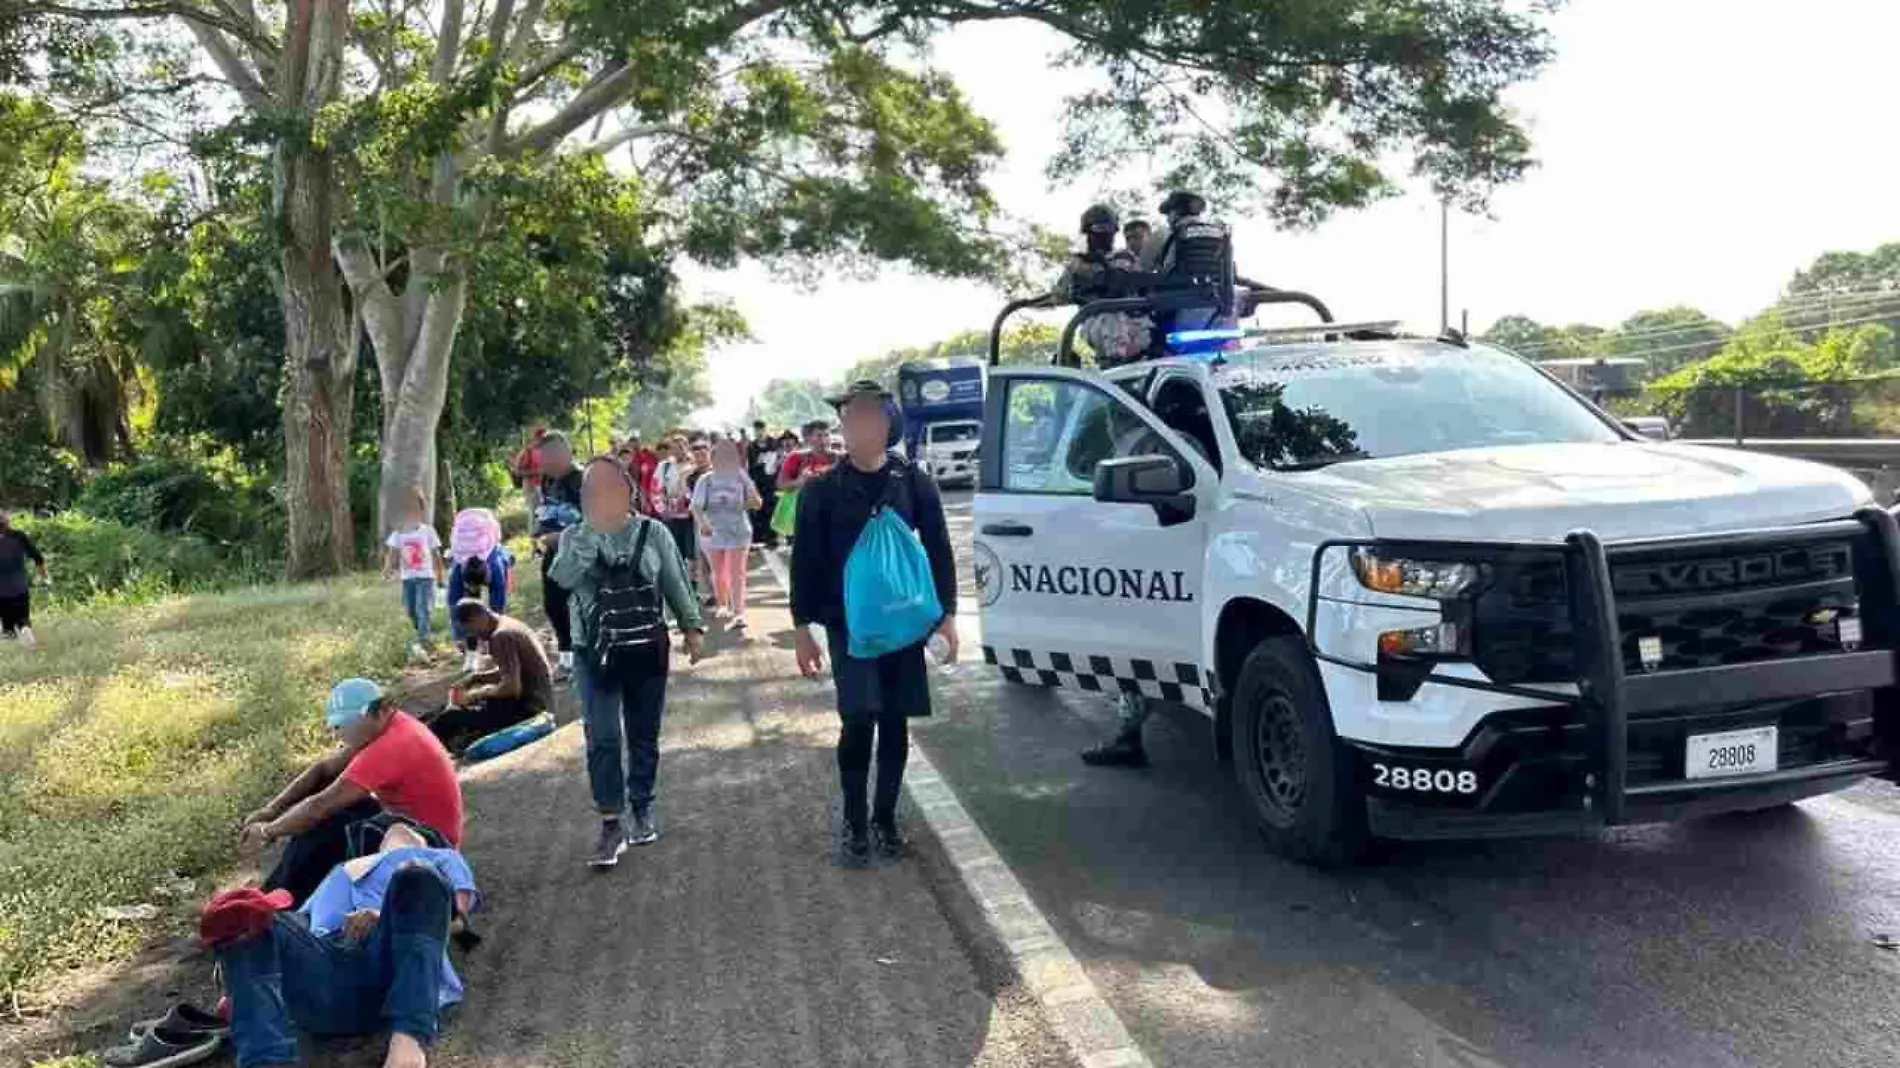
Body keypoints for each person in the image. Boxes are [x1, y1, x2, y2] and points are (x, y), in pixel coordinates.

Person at [791, 381, 958, 868]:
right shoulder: (821, 492)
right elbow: (805, 563)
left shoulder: (913, 482)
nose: (854, 424)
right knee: (859, 719)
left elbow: (941, 550)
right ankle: (854, 821)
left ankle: (885, 818)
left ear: (887, 423)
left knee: (895, 720)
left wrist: (946, 617)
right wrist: (802, 629)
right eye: (848, 415)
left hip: (905, 627)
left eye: (865, 415)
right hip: (849, 629)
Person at [211, 822, 478, 1068]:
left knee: (418, 875)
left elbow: (456, 920)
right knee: (247, 911)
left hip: (386, 965)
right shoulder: (342, 871)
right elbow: (298, 924)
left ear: (423, 841)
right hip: (322, 968)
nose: (396, 828)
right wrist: (242, 965)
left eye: (408, 830)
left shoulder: (440, 858)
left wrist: (383, 918)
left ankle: (407, 1047)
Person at [548, 458, 706, 869]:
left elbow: (674, 579)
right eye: (589, 490)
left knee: (643, 733)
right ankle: (610, 820)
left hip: (645, 648)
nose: (597, 496)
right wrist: (588, 533)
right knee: (602, 736)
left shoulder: (653, 533)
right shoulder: (573, 536)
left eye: (607, 487)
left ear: (629, 492)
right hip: (592, 651)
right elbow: (562, 578)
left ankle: (642, 804)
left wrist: (692, 627)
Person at [241, 679, 465, 905]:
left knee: (326, 826)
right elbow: (323, 770)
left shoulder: (392, 744)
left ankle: (274, 904)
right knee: (333, 810)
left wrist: (267, 831)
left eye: (346, 724)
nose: (340, 733)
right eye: (337, 726)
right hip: (406, 826)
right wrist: (271, 810)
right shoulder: (388, 725)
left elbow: (318, 807)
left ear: (374, 713)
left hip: (428, 845)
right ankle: (277, 892)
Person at [431, 602, 552, 753]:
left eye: (471, 630)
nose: (476, 637)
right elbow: (511, 670)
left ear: (478, 618)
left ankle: (432, 753)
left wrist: (477, 694)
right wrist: (477, 678)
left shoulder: (501, 636)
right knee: (461, 708)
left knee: (449, 718)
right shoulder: (508, 624)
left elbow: (512, 688)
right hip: (540, 699)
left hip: (529, 708)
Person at [1056, 204, 1150, 368]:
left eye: (1108, 230)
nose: (1104, 235)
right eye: (1100, 229)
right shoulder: (1077, 263)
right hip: (1102, 339)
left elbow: (1118, 283)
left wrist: (1094, 268)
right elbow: (1059, 295)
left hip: (1129, 336)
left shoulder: (1123, 257)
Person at [691, 439, 763, 631]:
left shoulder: (740, 477)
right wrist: (704, 524)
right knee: (718, 572)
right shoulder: (705, 480)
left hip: (738, 530)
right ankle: (723, 604)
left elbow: (757, 503)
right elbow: (696, 507)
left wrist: (744, 494)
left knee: (736, 572)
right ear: (713, 460)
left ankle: (739, 612)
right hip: (713, 532)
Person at [533, 433, 584, 676]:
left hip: (581, 554)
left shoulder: (584, 480)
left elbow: (597, 522)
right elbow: (546, 511)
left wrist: (563, 537)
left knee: (580, 606)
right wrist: (540, 533)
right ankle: (567, 657)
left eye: (546, 459)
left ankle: (584, 657)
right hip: (554, 551)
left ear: (562, 454)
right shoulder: (547, 480)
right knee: (553, 604)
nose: (542, 465)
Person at [383, 489, 446, 661]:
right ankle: (421, 633)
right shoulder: (398, 534)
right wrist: (387, 569)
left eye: (414, 509)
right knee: (411, 610)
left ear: (420, 511)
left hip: (425, 577)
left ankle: (424, 640)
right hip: (407, 578)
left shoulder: (427, 531)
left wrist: (440, 576)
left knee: (422, 607)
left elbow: (436, 555)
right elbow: (392, 554)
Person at [445, 508, 510, 658]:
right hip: (464, 530)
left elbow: (498, 607)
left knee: (497, 599)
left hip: (487, 527)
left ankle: (491, 644)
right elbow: (455, 605)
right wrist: (459, 635)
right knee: (466, 605)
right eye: (470, 586)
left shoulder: (496, 567)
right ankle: (472, 651)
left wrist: (492, 637)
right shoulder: (458, 569)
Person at [0, 507, 49, 651]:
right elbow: (38, 558)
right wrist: (45, 578)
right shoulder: (19, 536)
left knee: (8, 629)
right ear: (7, 521)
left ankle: (11, 634)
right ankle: (25, 631)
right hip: (20, 589)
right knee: (23, 620)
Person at [511, 427, 548, 518]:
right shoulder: (528, 451)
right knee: (535, 514)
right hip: (531, 487)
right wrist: (537, 472)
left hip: (544, 486)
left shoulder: (545, 451)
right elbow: (518, 472)